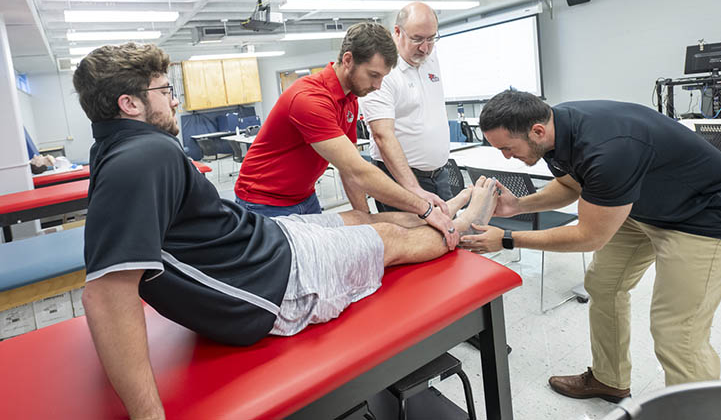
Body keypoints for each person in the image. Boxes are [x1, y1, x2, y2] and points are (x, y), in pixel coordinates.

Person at [73, 42, 497, 419]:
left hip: (266, 240)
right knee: (386, 241)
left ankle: (447, 207)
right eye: (164, 92)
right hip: (272, 283)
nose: (173, 101)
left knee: (358, 219)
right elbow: (107, 294)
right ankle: (461, 223)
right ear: (129, 103)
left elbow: (353, 171)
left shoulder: (127, 149)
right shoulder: (139, 159)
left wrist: (415, 205)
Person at [461, 90, 721, 403]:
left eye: (508, 149)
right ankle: (609, 380)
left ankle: (700, 412)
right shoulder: (555, 132)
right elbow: (571, 185)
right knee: (603, 285)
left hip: (703, 217)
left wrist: (508, 239)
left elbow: (589, 237)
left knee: (677, 331)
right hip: (641, 206)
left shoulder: (607, 149)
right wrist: (519, 206)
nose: (506, 158)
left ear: (537, 131)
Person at [234, 21, 457, 249]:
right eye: (373, 75)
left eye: (382, 77)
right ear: (348, 60)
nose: (378, 86)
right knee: (286, 275)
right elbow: (358, 171)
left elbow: (348, 168)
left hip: (305, 197)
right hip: (263, 202)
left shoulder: (349, 100)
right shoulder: (309, 99)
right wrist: (425, 209)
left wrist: (365, 217)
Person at [359, 2, 451, 213]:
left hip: (440, 174)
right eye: (417, 39)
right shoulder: (381, 71)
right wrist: (413, 188)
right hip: (400, 180)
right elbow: (382, 136)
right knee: (412, 243)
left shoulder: (428, 55)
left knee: (447, 238)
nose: (425, 48)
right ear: (397, 32)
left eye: (431, 38)